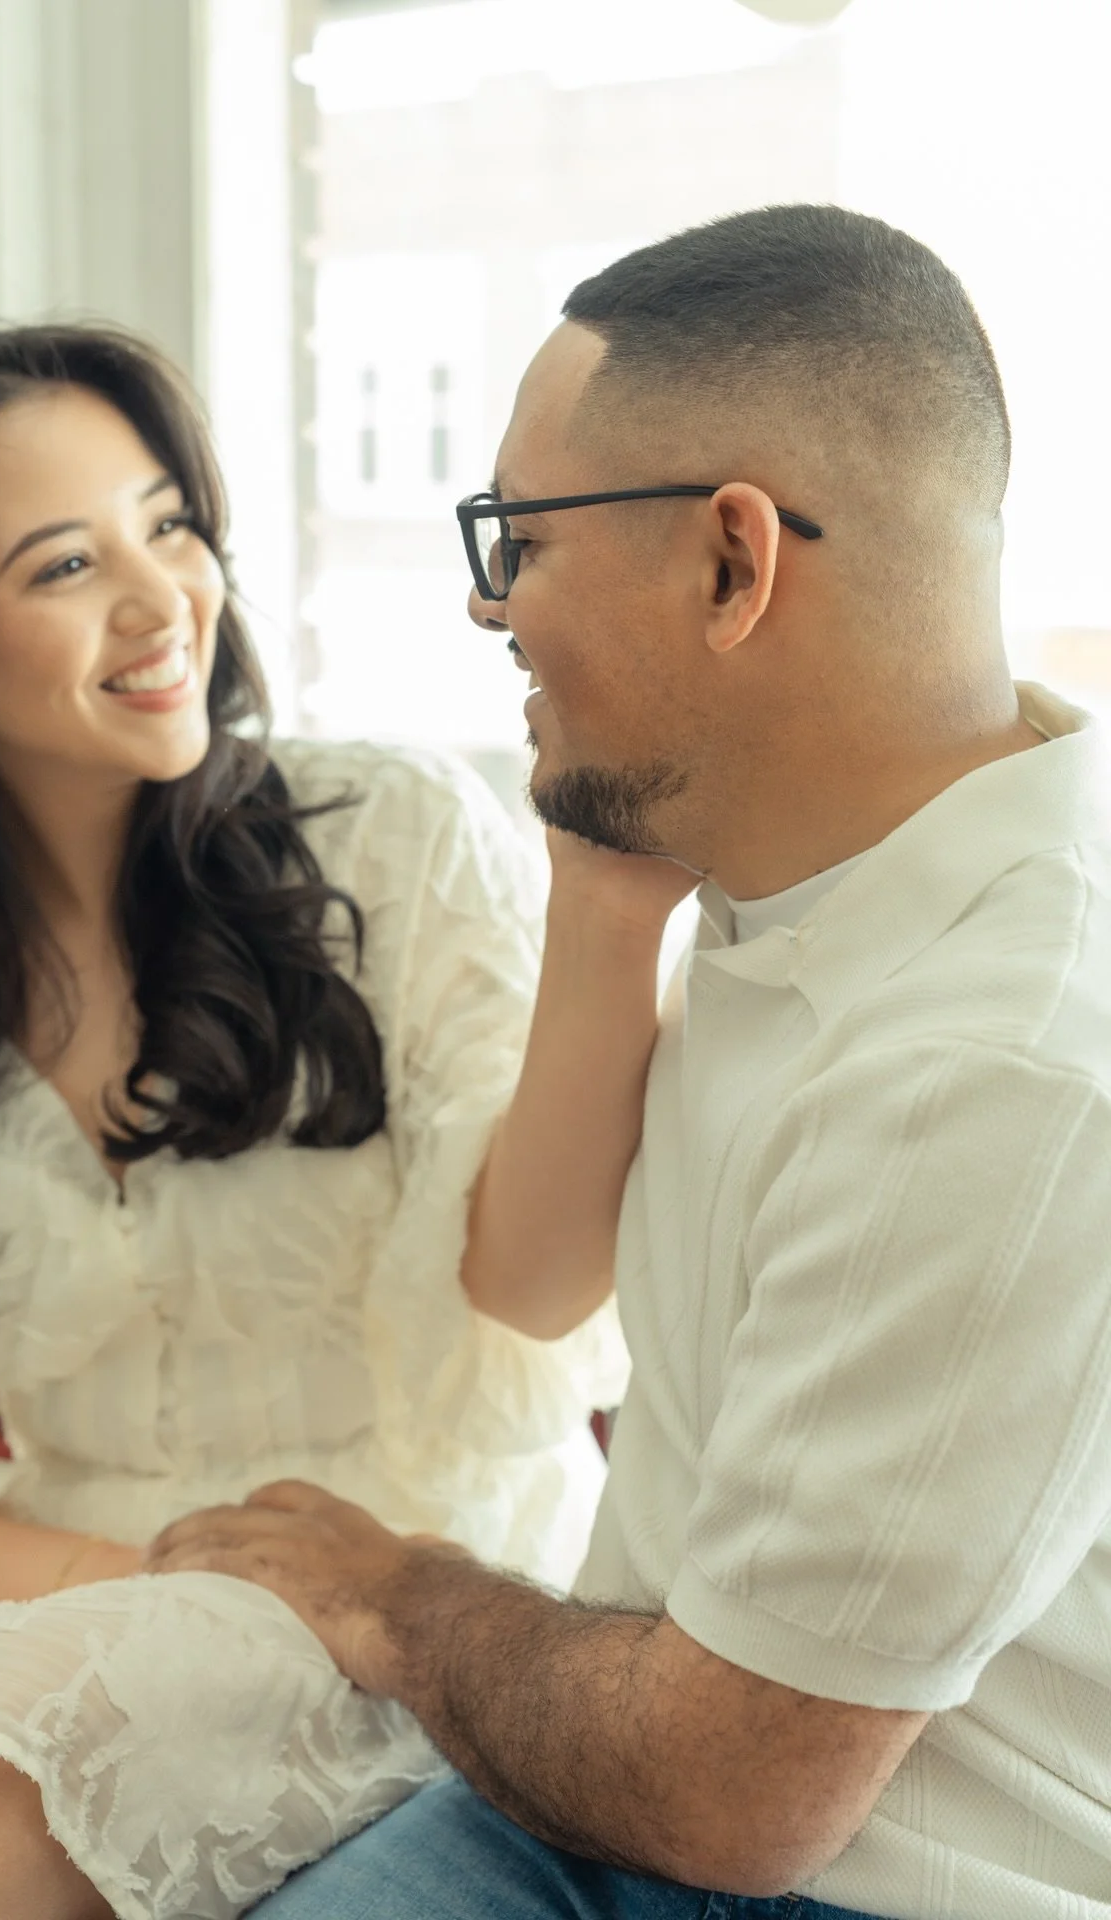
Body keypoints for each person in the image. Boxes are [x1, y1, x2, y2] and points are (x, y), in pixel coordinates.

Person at [149, 206, 1111, 1920]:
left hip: (836, 1874)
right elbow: (536, 1284)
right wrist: (605, 892)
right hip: (633, 1770)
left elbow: (740, 1797)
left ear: (734, 567)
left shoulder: (1003, 1068)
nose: (483, 597)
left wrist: (404, 1596)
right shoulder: (804, 862)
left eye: (518, 539)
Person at [0, 322, 631, 1918]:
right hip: (82, 1622)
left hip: (439, 1591)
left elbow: (533, 1297)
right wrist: (178, 1591)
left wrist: (604, 909)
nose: (160, 598)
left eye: (168, 525)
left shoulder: (389, 844)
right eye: (64, 564)